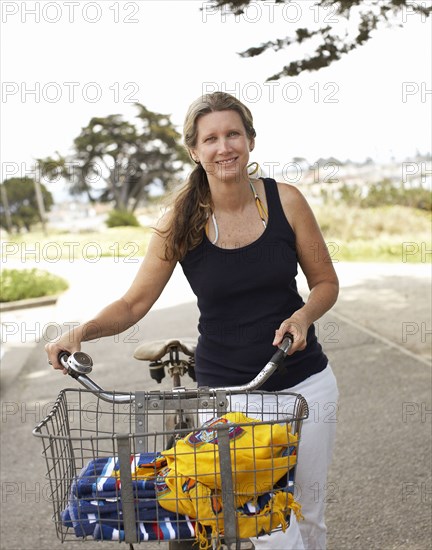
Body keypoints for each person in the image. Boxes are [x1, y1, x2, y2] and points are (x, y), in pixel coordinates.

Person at [46, 91, 339, 549]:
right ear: (194, 151)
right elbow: (133, 303)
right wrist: (82, 331)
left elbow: (325, 282)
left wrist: (302, 318)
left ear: (251, 141)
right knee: (266, 531)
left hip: (306, 385)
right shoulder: (179, 221)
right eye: (211, 138)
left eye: (233, 134)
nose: (225, 147)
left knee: (309, 514)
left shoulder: (288, 201)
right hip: (232, 399)